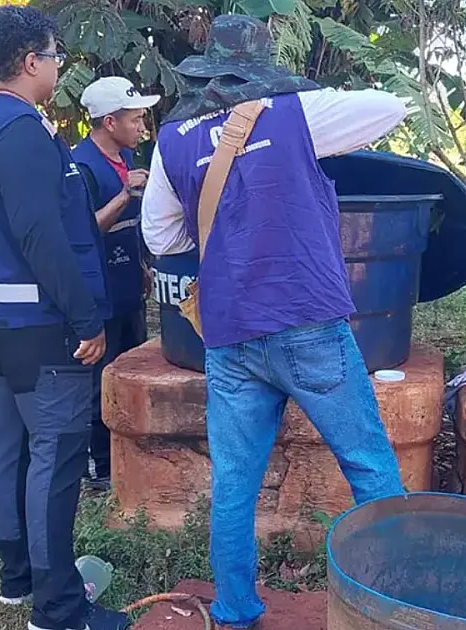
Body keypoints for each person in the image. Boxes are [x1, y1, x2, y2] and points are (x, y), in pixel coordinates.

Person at [140, 14, 409, 629]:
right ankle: (393, 606)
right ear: (263, 68)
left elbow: (160, 234)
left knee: (234, 484)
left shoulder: (174, 138)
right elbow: (390, 105)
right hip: (308, 320)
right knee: (368, 465)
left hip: (231, 335)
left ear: (210, 71)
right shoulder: (296, 115)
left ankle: (235, 610)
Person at [0, 6, 128, 630]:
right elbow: (39, 234)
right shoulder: (19, 128)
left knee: (11, 441)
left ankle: (18, 577)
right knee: (56, 453)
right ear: (30, 62)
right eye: (54, 57)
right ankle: (58, 608)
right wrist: (85, 320)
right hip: (36, 322)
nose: (57, 67)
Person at [72, 76, 160, 490]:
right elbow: (81, 231)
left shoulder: (126, 160)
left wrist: (142, 266)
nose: (141, 126)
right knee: (100, 381)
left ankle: (130, 455)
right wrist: (125, 195)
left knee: (130, 369)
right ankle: (101, 469)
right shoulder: (80, 167)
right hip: (97, 293)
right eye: (135, 119)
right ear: (110, 122)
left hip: (127, 286)